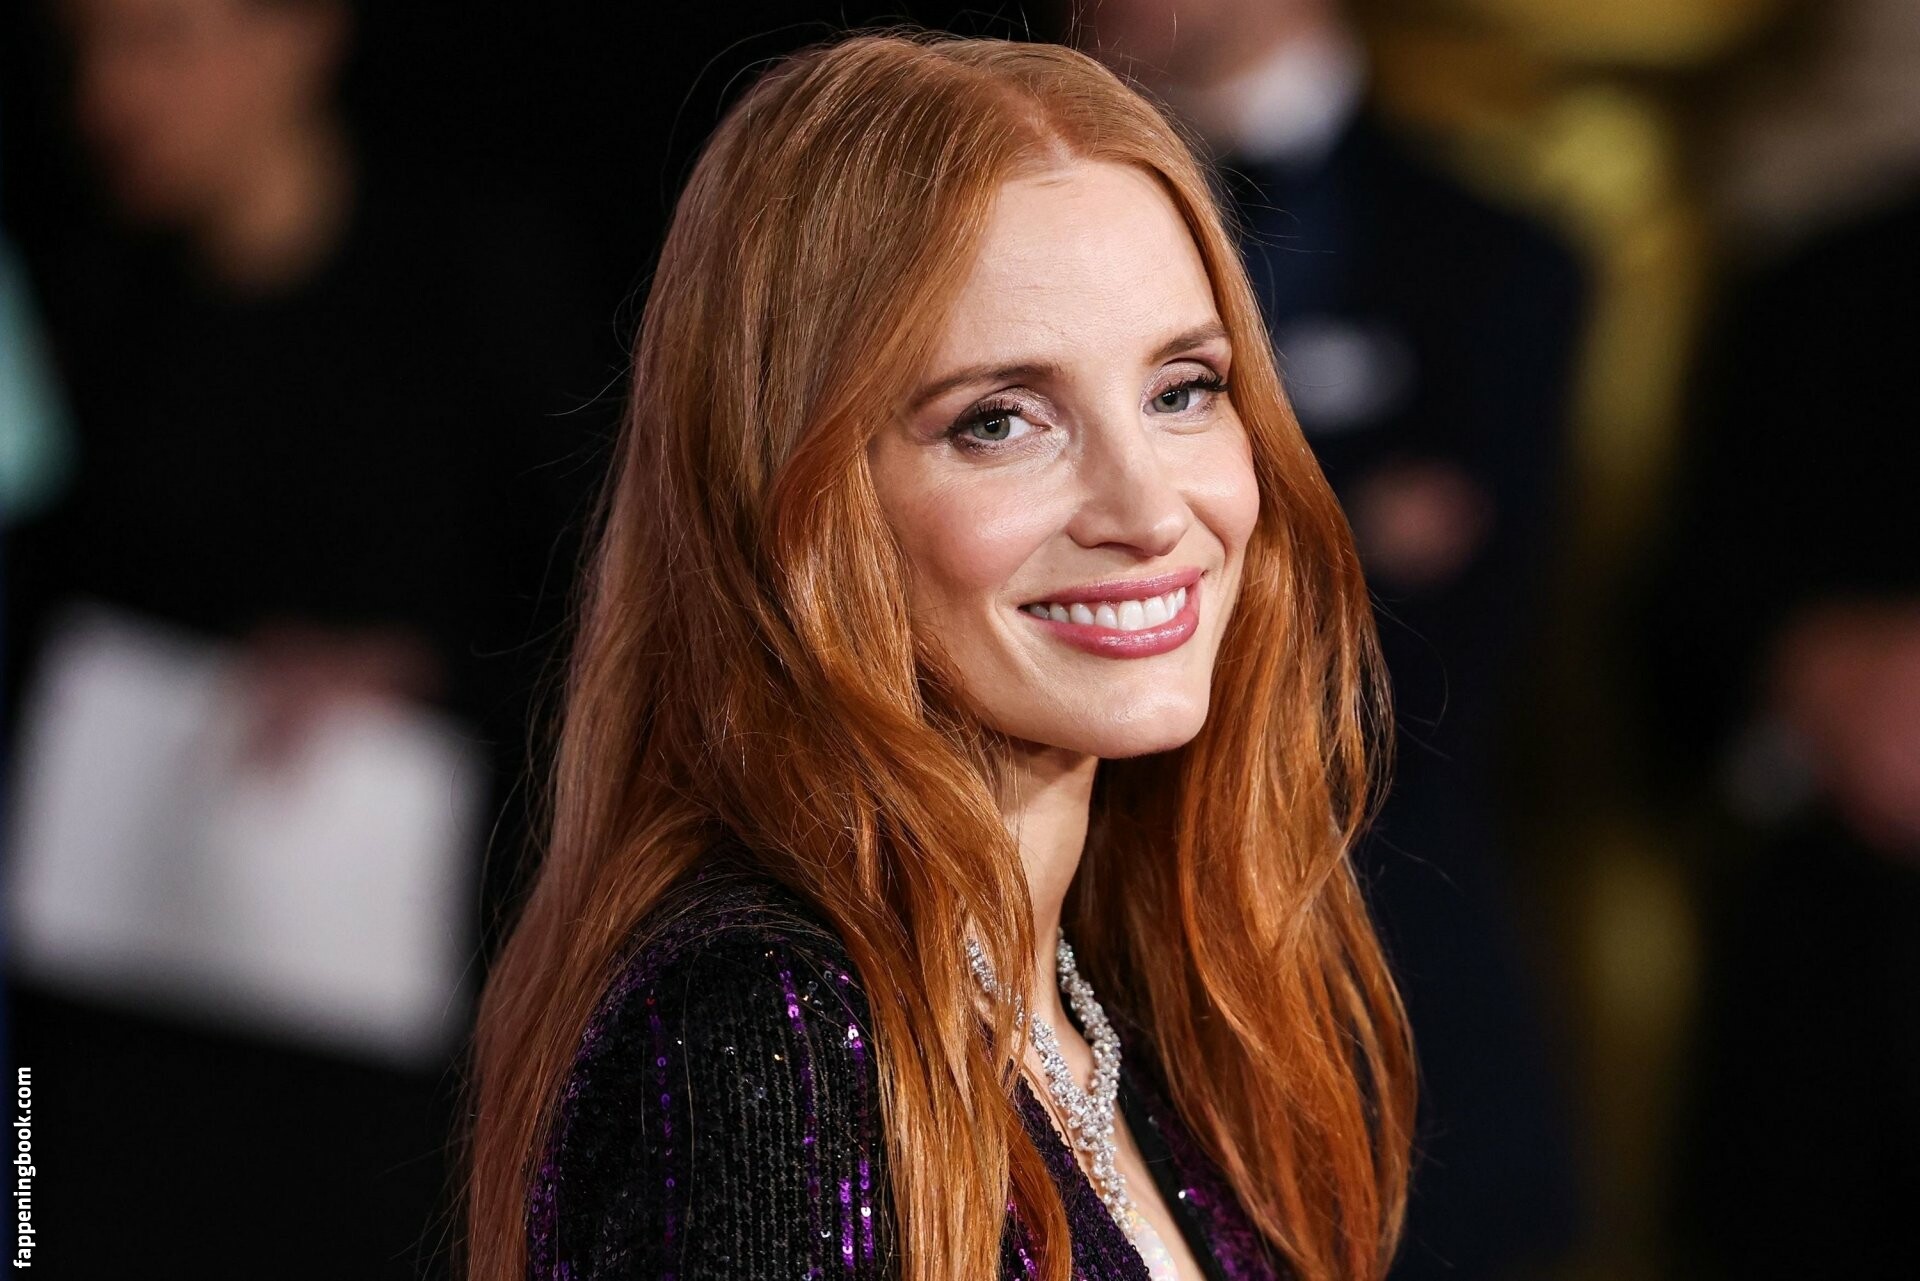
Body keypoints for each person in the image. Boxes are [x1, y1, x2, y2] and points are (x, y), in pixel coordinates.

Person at [465, 32, 1418, 1281]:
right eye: (1000, 421)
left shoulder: (1110, 1006)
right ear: (795, 494)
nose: (1147, 510)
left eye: (1181, 390)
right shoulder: (767, 1040)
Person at [1082, 5, 1589, 1275]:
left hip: (1393, 947)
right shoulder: (1042, 237)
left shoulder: (1498, 255)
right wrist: (1359, 517)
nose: (1149, 518)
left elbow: (1439, 655)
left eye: (1185, 397)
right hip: (1089, 941)